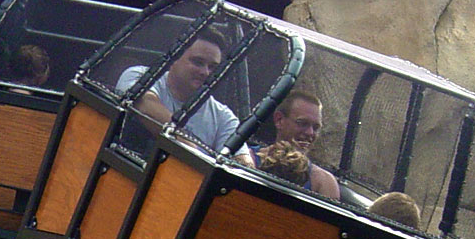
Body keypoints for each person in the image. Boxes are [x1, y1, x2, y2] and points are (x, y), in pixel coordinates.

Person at [116, 27, 253, 166]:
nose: (205, 72)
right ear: (175, 56)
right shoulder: (139, 76)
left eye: (212, 67)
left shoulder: (224, 117)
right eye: (198, 62)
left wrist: (242, 163)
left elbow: (242, 163)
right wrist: (194, 152)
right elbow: (145, 105)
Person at [251, 91, 340, 198]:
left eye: (316, 128)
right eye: (302, 123)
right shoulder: (248, 160)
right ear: (279, 120)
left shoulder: (323, 182)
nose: (310, 133)